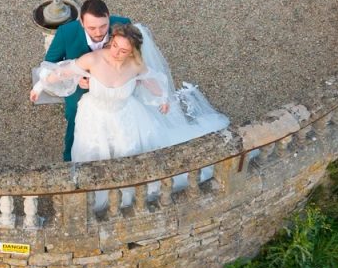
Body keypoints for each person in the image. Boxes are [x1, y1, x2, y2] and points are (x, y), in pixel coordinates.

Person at [31, 23, 229, 164]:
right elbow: (63, 72)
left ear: (132, 53)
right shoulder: (93, 59)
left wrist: (163, 98)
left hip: (125, 115)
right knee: (94, 156)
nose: (115, 52)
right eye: (114, 45)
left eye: (123, 50)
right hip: (95, 116)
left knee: (130, 154)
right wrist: (39, 86)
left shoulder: (136, 66)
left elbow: (151, 81)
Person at [36, 0, 131, 161]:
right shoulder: (66, 32)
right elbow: (48, 66)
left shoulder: (124, 25)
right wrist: (76, 76)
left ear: (108, 16)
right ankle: (69, 159)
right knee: (75, 116)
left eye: (103, 26)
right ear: (81, 22)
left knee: (124, 115)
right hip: (80, 86)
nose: (98, 32)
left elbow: (133, 57)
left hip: (114, 84)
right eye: (92, 27)